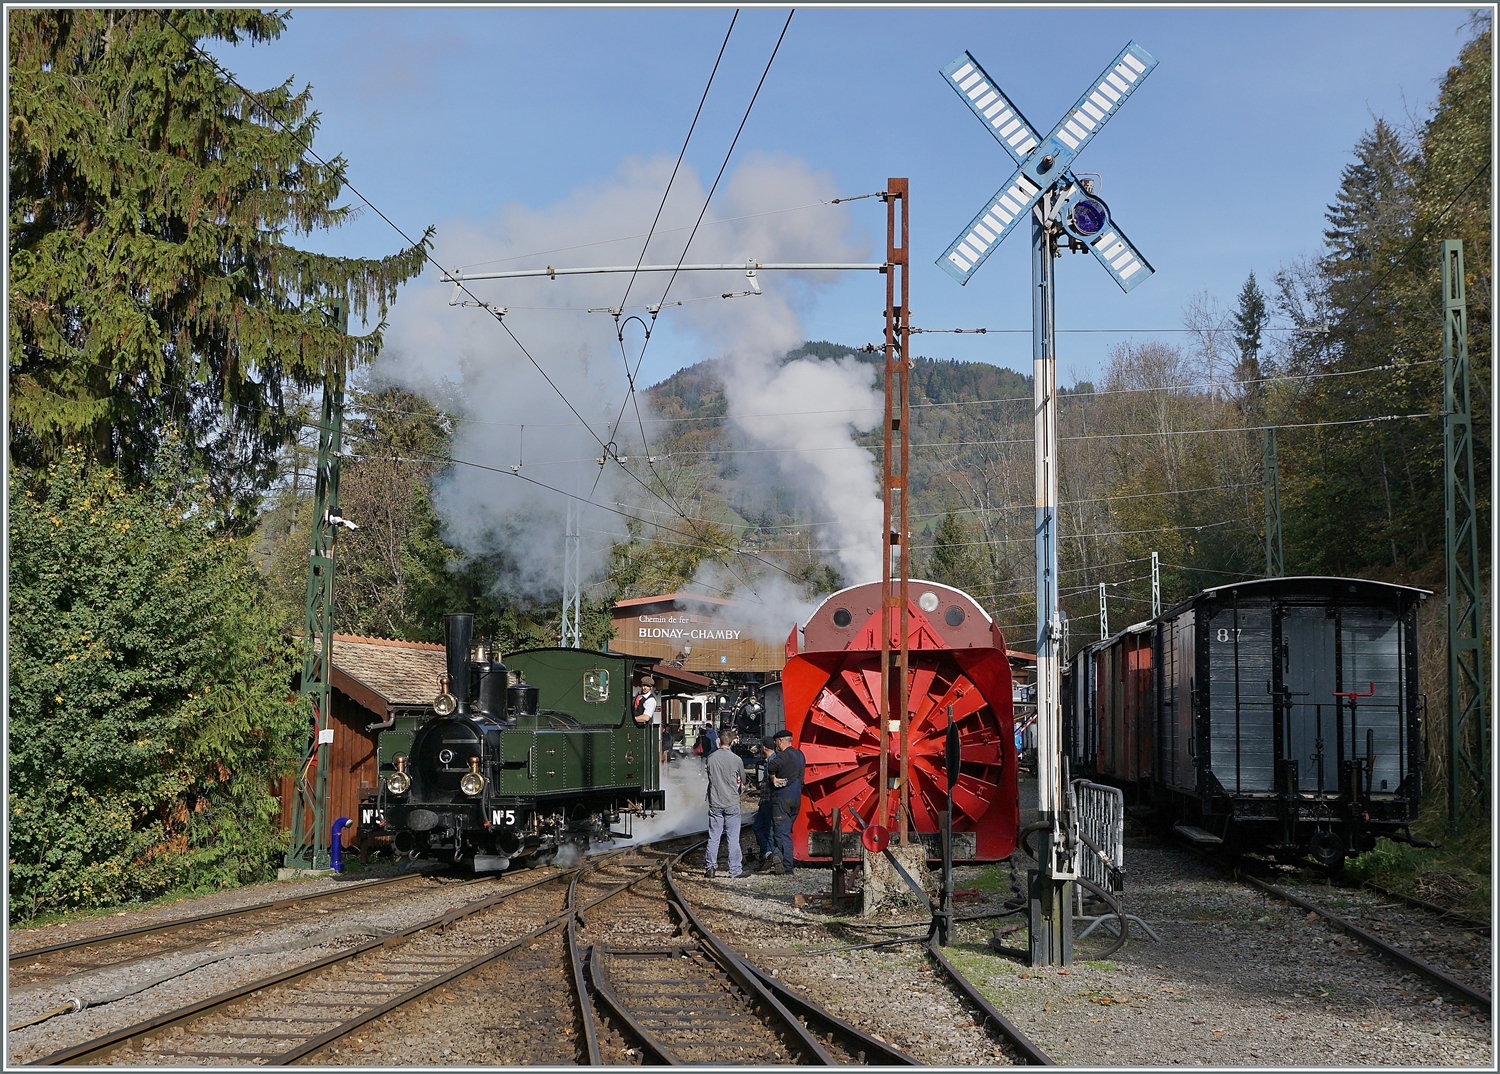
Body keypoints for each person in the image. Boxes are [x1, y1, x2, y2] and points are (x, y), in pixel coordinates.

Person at [703, 729, 745, 879]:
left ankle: (710, 867)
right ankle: (734, 870)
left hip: (715, 801)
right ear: (732, 742)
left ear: (719, 741)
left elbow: (709, 776)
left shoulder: (711, 758)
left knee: (714, 836)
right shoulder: (737, 759)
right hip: (732, 801)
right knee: (733, 837)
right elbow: (743, 779)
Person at [763, 728, 805, 876]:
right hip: (796, 797)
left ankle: (787, 867)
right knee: (785, 830)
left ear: (781, 741)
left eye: (776, 742)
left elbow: (772, 766)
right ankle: (777, 857)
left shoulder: (783, 756)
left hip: (782, 798)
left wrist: (773, 777)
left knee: (782, 833)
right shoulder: (800, 755)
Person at [747, 735, 777, 867]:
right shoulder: (772, 759)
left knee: (760, 827)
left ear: (764, 747)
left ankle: (768, 853)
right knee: (765, 827)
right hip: (768, 800)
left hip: (768, 800)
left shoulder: (772, 761)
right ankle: (767, 853)